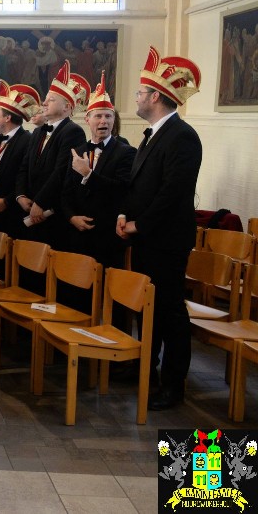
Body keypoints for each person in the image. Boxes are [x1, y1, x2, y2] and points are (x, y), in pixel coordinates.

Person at [116, 48, 203, 411]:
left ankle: (172, 386)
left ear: (155, 96)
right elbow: (138, 185)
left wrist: (139, 224)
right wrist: (124, 214)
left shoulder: (182, 136)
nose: (135, 98)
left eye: (139, 92)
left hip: (166, 240)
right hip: (146, 238)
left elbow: (172, 193)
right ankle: (146, 370)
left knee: (169, 312)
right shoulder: (152, 134)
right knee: (146, 307)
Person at [59, 73, 136, 275]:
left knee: (106, 295)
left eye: (108, 116)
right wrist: (71, 217)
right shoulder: (77, 150)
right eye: (98, 116)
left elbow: (121, 190)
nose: (104, 121)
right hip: (76, 234)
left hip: (106, 236)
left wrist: (88, 174)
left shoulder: (126, 152)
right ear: (87, 119)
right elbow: (65, 191)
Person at [15, 60, 89, 248]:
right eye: (46, 98)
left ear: (67, 107)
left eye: (51, 99)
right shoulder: (39, 131)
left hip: (51, 211)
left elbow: (61, 171)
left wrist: (41, 202)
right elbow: (24, 166)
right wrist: (21, 195)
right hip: (29, 207)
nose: (44, 102)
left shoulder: (73, 131)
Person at [0, 81, 38, 240]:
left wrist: (7, 201)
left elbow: (25, 177)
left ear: (7, 117)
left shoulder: (28, 141)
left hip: (12, 213)